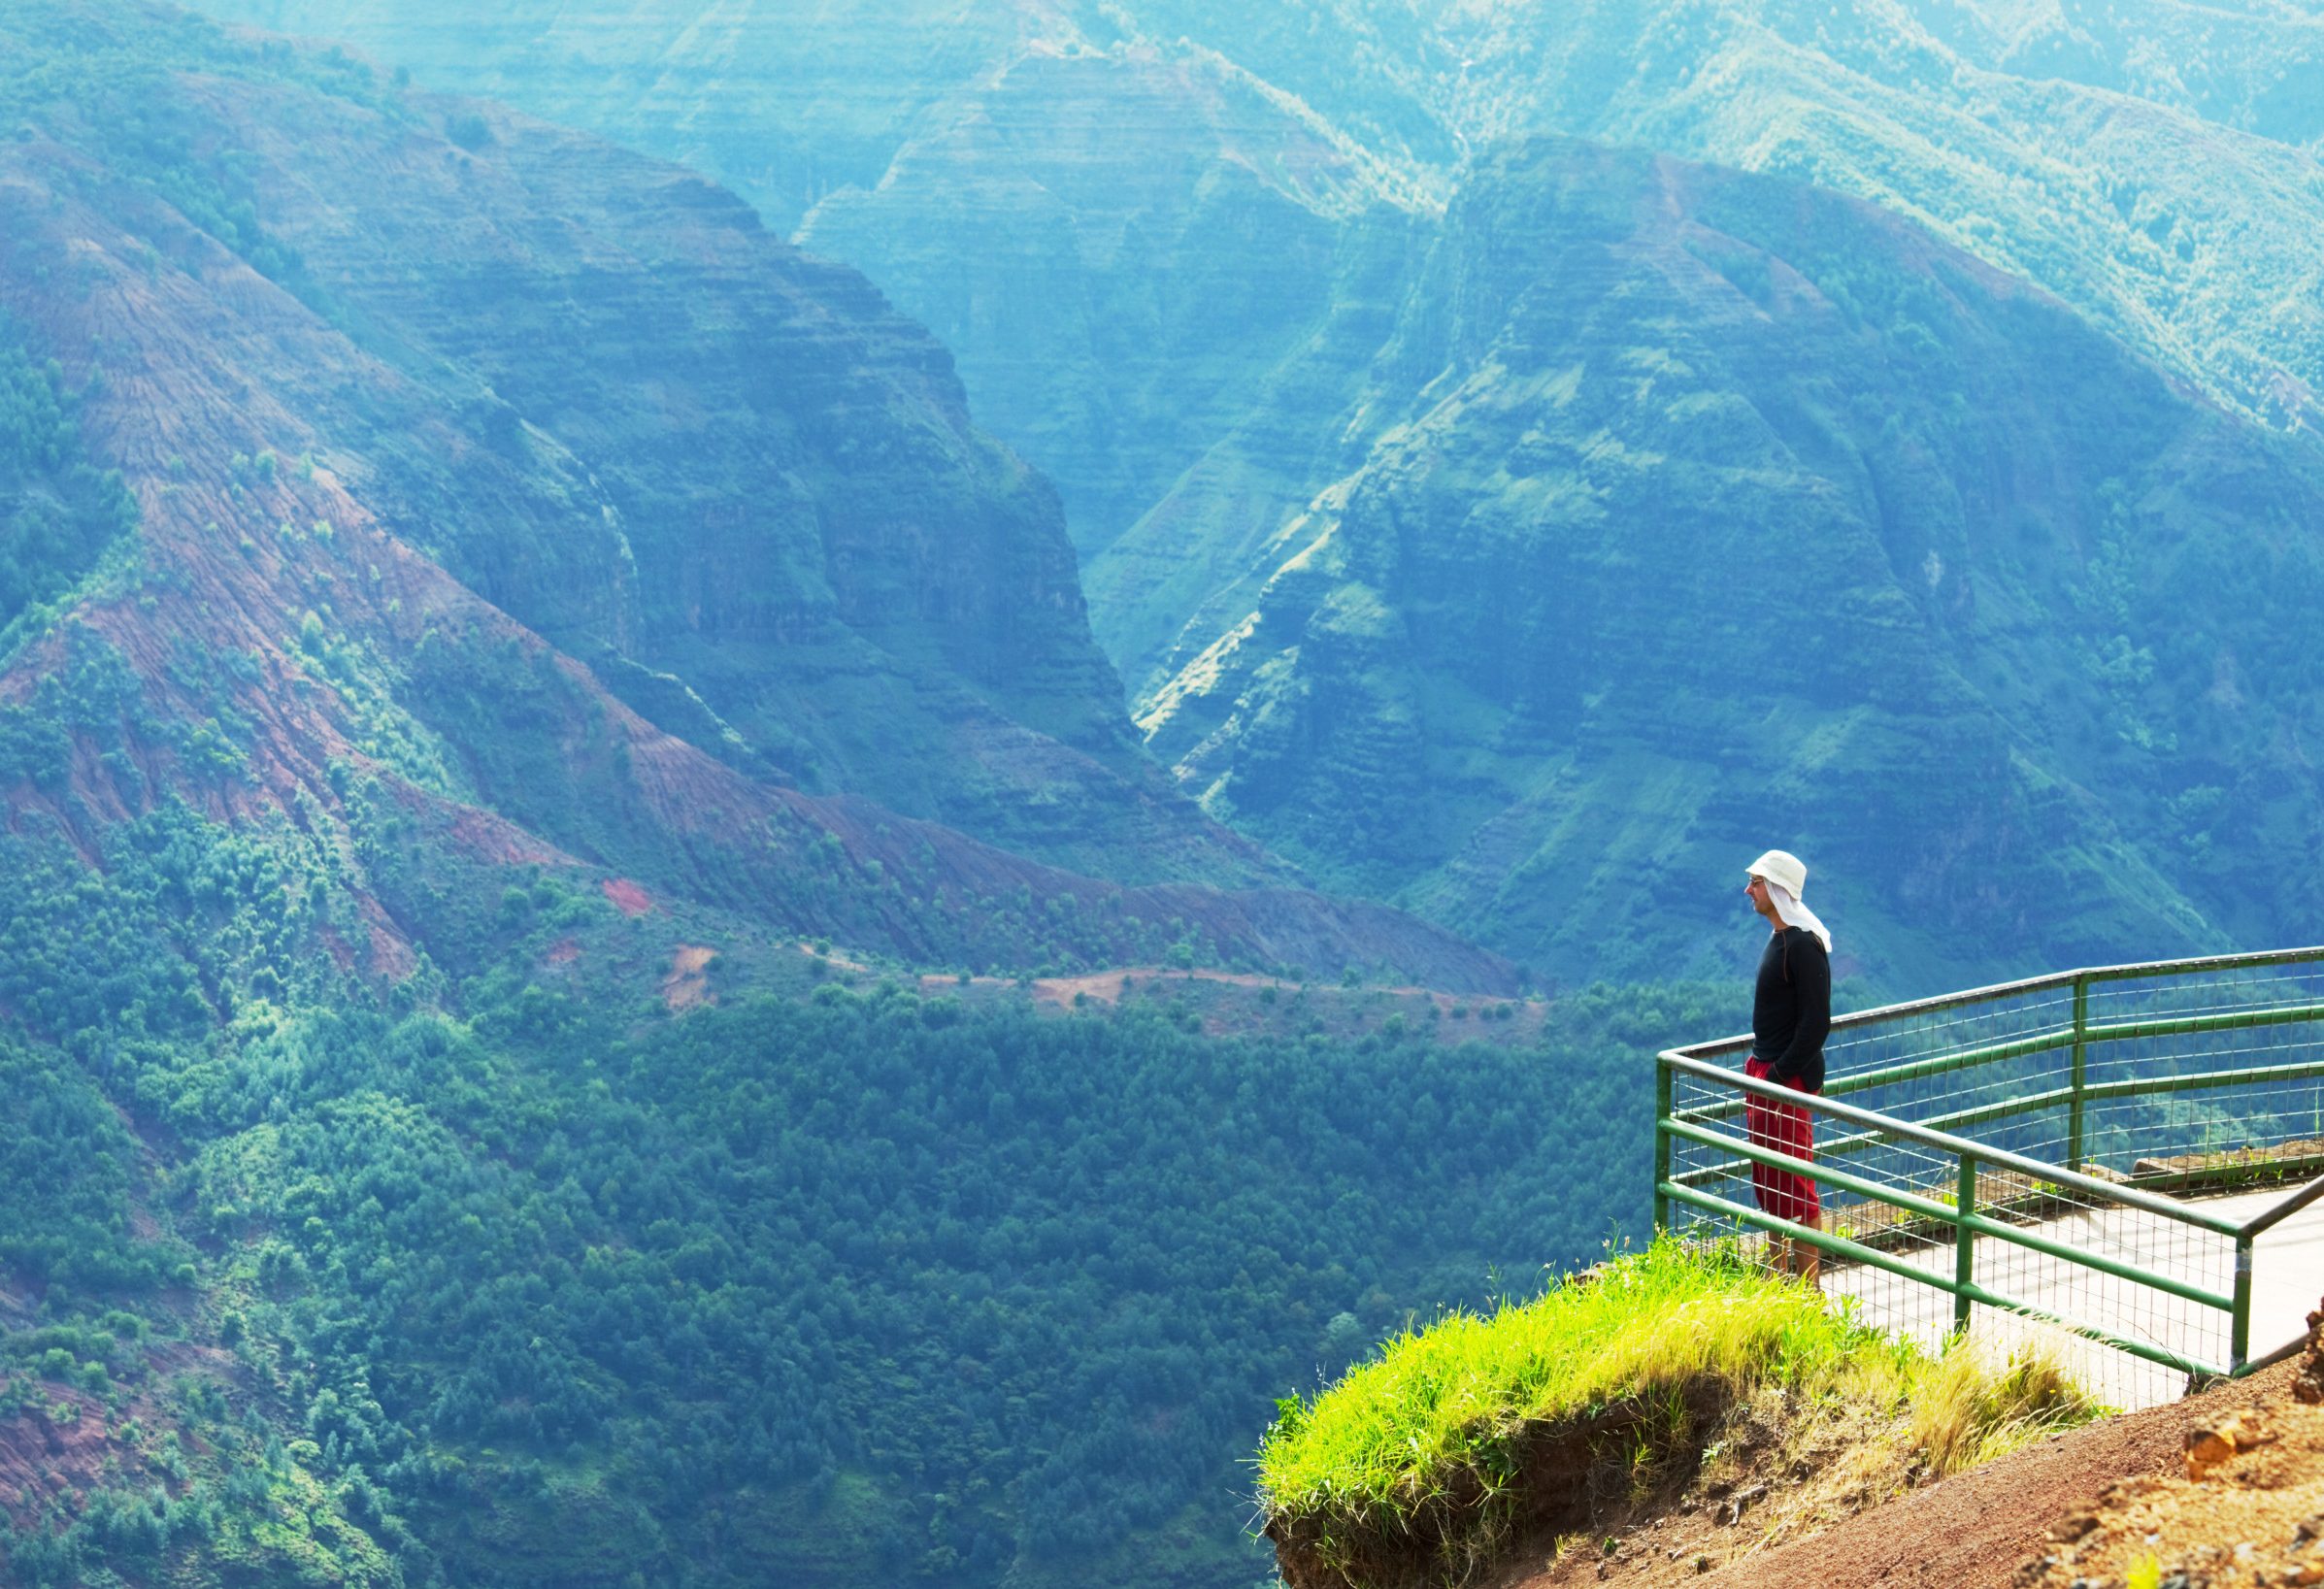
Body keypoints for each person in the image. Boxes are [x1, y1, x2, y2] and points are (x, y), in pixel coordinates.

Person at [1742, 849, 1832, 1289]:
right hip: (1768, 1072)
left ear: (1775, 889)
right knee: (1772, 1182)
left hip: (1784, 1079)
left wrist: (1778, 1078)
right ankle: (1780, 1283)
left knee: (1796, 1183)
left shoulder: (1801, 946)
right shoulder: (1781, 939)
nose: (1748, 890)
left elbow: (1816, 1023)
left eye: (1756, 882)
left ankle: (1808, 1291)